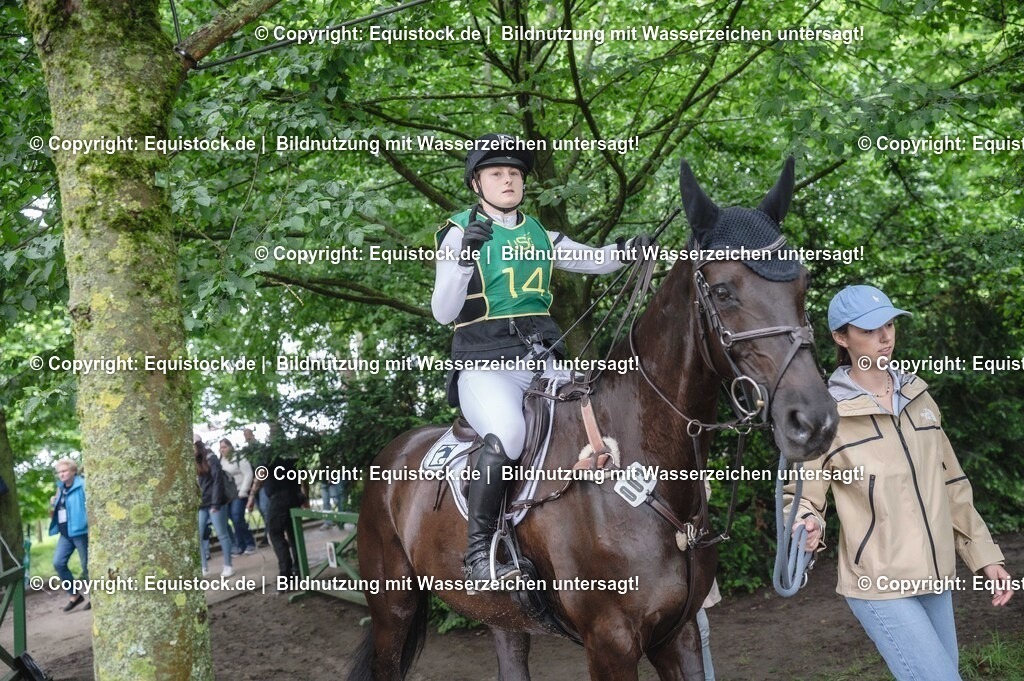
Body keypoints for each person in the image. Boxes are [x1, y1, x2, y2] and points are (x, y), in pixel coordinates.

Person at [431, 132, 651, 586]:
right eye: (496, 173)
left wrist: (629, 251)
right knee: (509, 432)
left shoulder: (540, 234)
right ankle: (479, 553)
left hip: (543, 360)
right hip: (484, 365)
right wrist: (464, 259)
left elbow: (596, 260)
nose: (508, 179)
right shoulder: (456, 233)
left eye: (514, 173)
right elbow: (443, 311)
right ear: (477, 184)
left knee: (597, 420)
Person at [786, 284, 1013, 681]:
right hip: (879, 581)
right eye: (870, 329)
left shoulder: (918, 397)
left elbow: (953, 484)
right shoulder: (823, 413)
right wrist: (808, 524)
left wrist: (985, 555)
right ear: (841, 337)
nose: (885, 336)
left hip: (936, 574)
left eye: (889, 324)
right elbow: (803, 497)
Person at [247, 427, 304, 586]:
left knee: (275, 533)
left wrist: (252, 495)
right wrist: (305, 496)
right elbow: (302, 472)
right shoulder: (292, 451)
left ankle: (286, 575)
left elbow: (261, 475)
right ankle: (300, 570)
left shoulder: (268, 453)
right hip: (295, 495)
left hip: (278, 498)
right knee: (294, 535)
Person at [49, 458, 89, 612]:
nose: (61, 475)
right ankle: (74, 595)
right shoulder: (60, 488)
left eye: (64, 471)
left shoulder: (82, 485)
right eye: (59, 472)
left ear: (73, 471)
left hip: (81, 532)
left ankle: (96, 597)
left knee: (87, 567)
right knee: (58, 563)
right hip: (65, 534)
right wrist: (53, 502)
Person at [195, 440, 235, 577]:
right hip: (202, 504)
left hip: (215, 503)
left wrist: (215, 504)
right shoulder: (194, 461)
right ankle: (204, 567)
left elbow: (218, 481)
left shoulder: (211, 459)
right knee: (198, 535)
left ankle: (228, 565)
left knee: (222, 533)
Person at [219, 438, 256, 555]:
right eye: (221, 447)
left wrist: (244, 491)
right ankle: (240, 545)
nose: (222, 450)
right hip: (227, 495)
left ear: (230, 447)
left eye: (224, 447)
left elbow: (248, 474)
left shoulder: (240, 458)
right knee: (232, 519)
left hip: (239, 492)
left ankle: (249, 543)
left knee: (237, 517)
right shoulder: (221, 461)